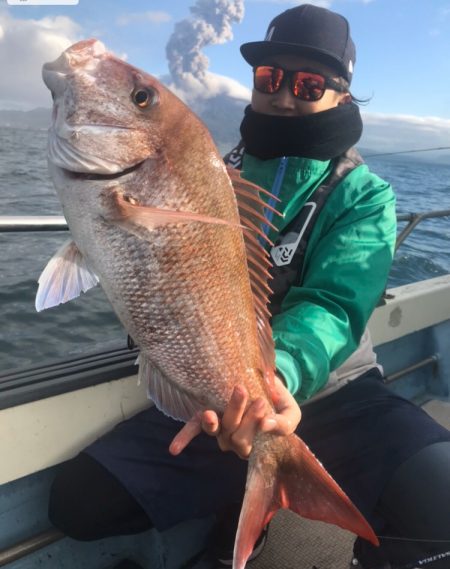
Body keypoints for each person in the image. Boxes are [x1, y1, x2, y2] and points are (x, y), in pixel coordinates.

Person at [48, 4, 450, 569]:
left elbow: (333, 306)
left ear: (342, 96)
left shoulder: (365, 194)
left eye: (310, 83)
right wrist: (240, 403)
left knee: (441, 503)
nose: (285, 95)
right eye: (270, 78)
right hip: (222, 399)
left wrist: (274, 380)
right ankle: (243, 501)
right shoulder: (212, 167)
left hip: (336, 392)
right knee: (78, 504)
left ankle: (330, 528)